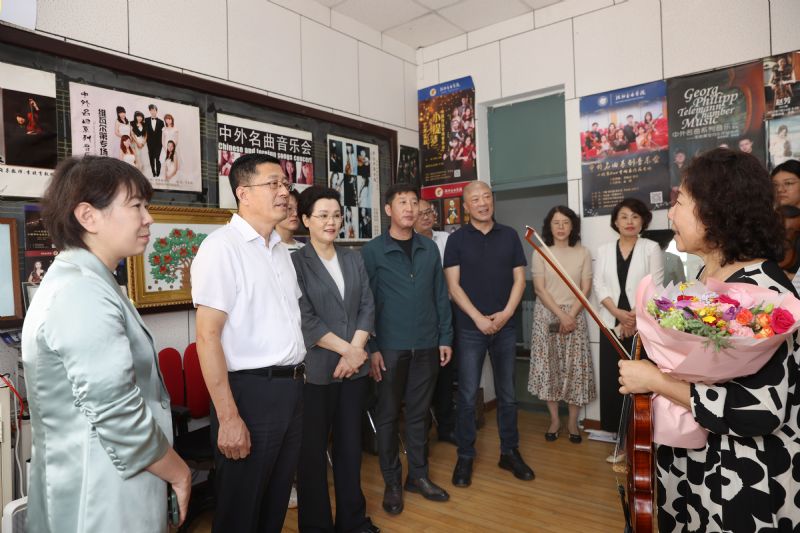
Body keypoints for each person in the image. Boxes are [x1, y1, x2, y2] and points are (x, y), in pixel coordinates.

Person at [618, 148, 800, 531]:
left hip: (741, 478)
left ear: (717, 210)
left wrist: (655, 380)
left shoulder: (765, 294)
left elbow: (759, 411)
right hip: (694, 468)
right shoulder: (702, 275)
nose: (670, 215)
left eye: (680, 202)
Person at [22, 156, 191, 532]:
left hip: (112, 478)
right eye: (136, 206)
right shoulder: (81, 290)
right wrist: (178, 471)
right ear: (88, 216)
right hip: (100, 492)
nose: (148, 218)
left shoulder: (88, 280)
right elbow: (116, 408)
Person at [191, 153, 305, 533]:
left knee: (274, 505)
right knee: (240, 512)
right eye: (273, 184)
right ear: (243, 193)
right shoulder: (221, 248)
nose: (284, 192)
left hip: (291, 388)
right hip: (250, 394)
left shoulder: (280, 250)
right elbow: (207, 336)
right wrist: (228, 417)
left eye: (285, 184)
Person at [361, 183, 453, 515]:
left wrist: (445, 337)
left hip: (427, 344)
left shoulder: (430, 248)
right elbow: (365, 303)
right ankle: (392, 484)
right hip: (389, 348)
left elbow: (440, 295)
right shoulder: (372, 251)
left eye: (414, 202)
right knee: (387, 417)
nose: (410, 208)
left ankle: (418, 476)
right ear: (389, 210)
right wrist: (372, 346)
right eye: (403, 202)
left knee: (419, 415)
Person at [292, 186, 379, 533]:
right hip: (317, 373)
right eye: (323, 215)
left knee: (350, 449)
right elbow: (305, 318)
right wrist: (350, 350)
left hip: (352, 372)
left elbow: (367, 306)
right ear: (305, 220)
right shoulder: (295, 263)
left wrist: (354, 352)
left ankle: (352, 521)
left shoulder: (353, 258)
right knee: (312, 455)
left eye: (337, 215)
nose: (332, 222)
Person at [444, 181, 533, 488]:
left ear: (492, 201)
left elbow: (519, 280)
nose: (482, 203)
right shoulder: (456, 240)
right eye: (475, 199)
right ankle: (465, 456)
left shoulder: (509, 235)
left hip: (505, 327)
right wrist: (479, 319)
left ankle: (509, 452)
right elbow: (453, 286)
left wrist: (505, 314)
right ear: (465, 206)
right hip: (470, 329)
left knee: (507, 395)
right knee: (468, 396)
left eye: (486, 197)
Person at [593, 198, 663, 447]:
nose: (629, 221)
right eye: (623, 216)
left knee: (639, 382)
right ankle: (619, 440)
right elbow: (599, 286)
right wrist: (618, 314)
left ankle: (639, 439)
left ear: (643, 221)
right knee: (613, 380)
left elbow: (655, 287)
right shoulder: (603, 250)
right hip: (610, 323)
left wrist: (632, 317)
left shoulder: (651, 248)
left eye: (635, 216)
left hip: (641, 326)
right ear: (615, 221)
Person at [527, 206, 595, 444]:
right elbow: (539, 289)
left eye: (566, 222)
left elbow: (586, 288)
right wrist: (561, 315)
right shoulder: (540, 252)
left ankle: (573, 422)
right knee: (550, 368)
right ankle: (555, 420)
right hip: (547, 314)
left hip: (575, 314)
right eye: (556, 222)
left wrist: (570, 315)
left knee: (575, 370)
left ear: (573, 225)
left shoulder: (583, 252)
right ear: (549, 226)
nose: (561, 227)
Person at [415, 198, 456, 444]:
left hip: (448, 311)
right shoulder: (410, 243)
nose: (426, 216)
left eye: (429, 212)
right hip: (421, 317)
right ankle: (422, 433)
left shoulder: (446, 239)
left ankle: (446, 426)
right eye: (421, 213)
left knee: (446, 374)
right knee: (423, 377)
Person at [771, 160, 800, 276]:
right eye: (775, 185)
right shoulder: (768, 219)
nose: (780, 190)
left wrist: (794, 278)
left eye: (788, 183)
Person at [145, 104, 164, 177]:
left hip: (159, 143)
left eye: (154, 110)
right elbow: (144, 131)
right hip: (149, 143)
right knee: (151, 158)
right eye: (151, 110)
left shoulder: (161, 122)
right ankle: (153, 172)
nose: (153, 112)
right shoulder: (146, 120)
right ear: (150, 111)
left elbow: (163, 133)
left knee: (158, 158)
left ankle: (158, 172)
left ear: (156, 111)